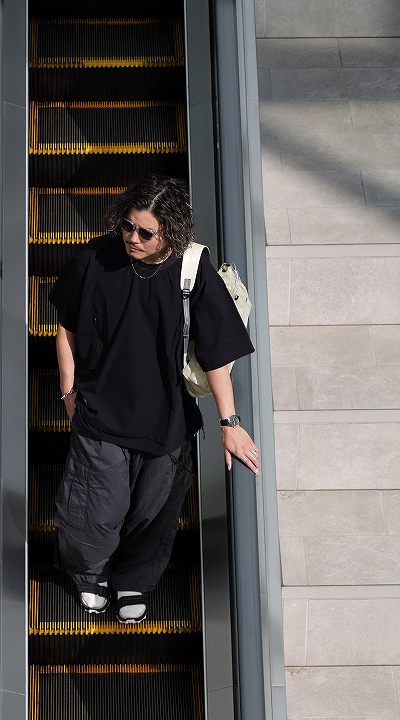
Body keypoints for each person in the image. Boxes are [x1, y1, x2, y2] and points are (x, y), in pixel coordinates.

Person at [48, 173, 260, 624]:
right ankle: (91, 574)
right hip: (101, 413)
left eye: (146, 232)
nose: (133, 238)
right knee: (94, 508)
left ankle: (133, 580)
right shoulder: (93, 258)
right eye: (128, 226)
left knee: (154, 513)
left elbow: (216, 352)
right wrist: (68, 390)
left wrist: (230, 424)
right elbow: (66, 326)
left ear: (172, 232)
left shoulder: (192, 269)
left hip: (167, 419)